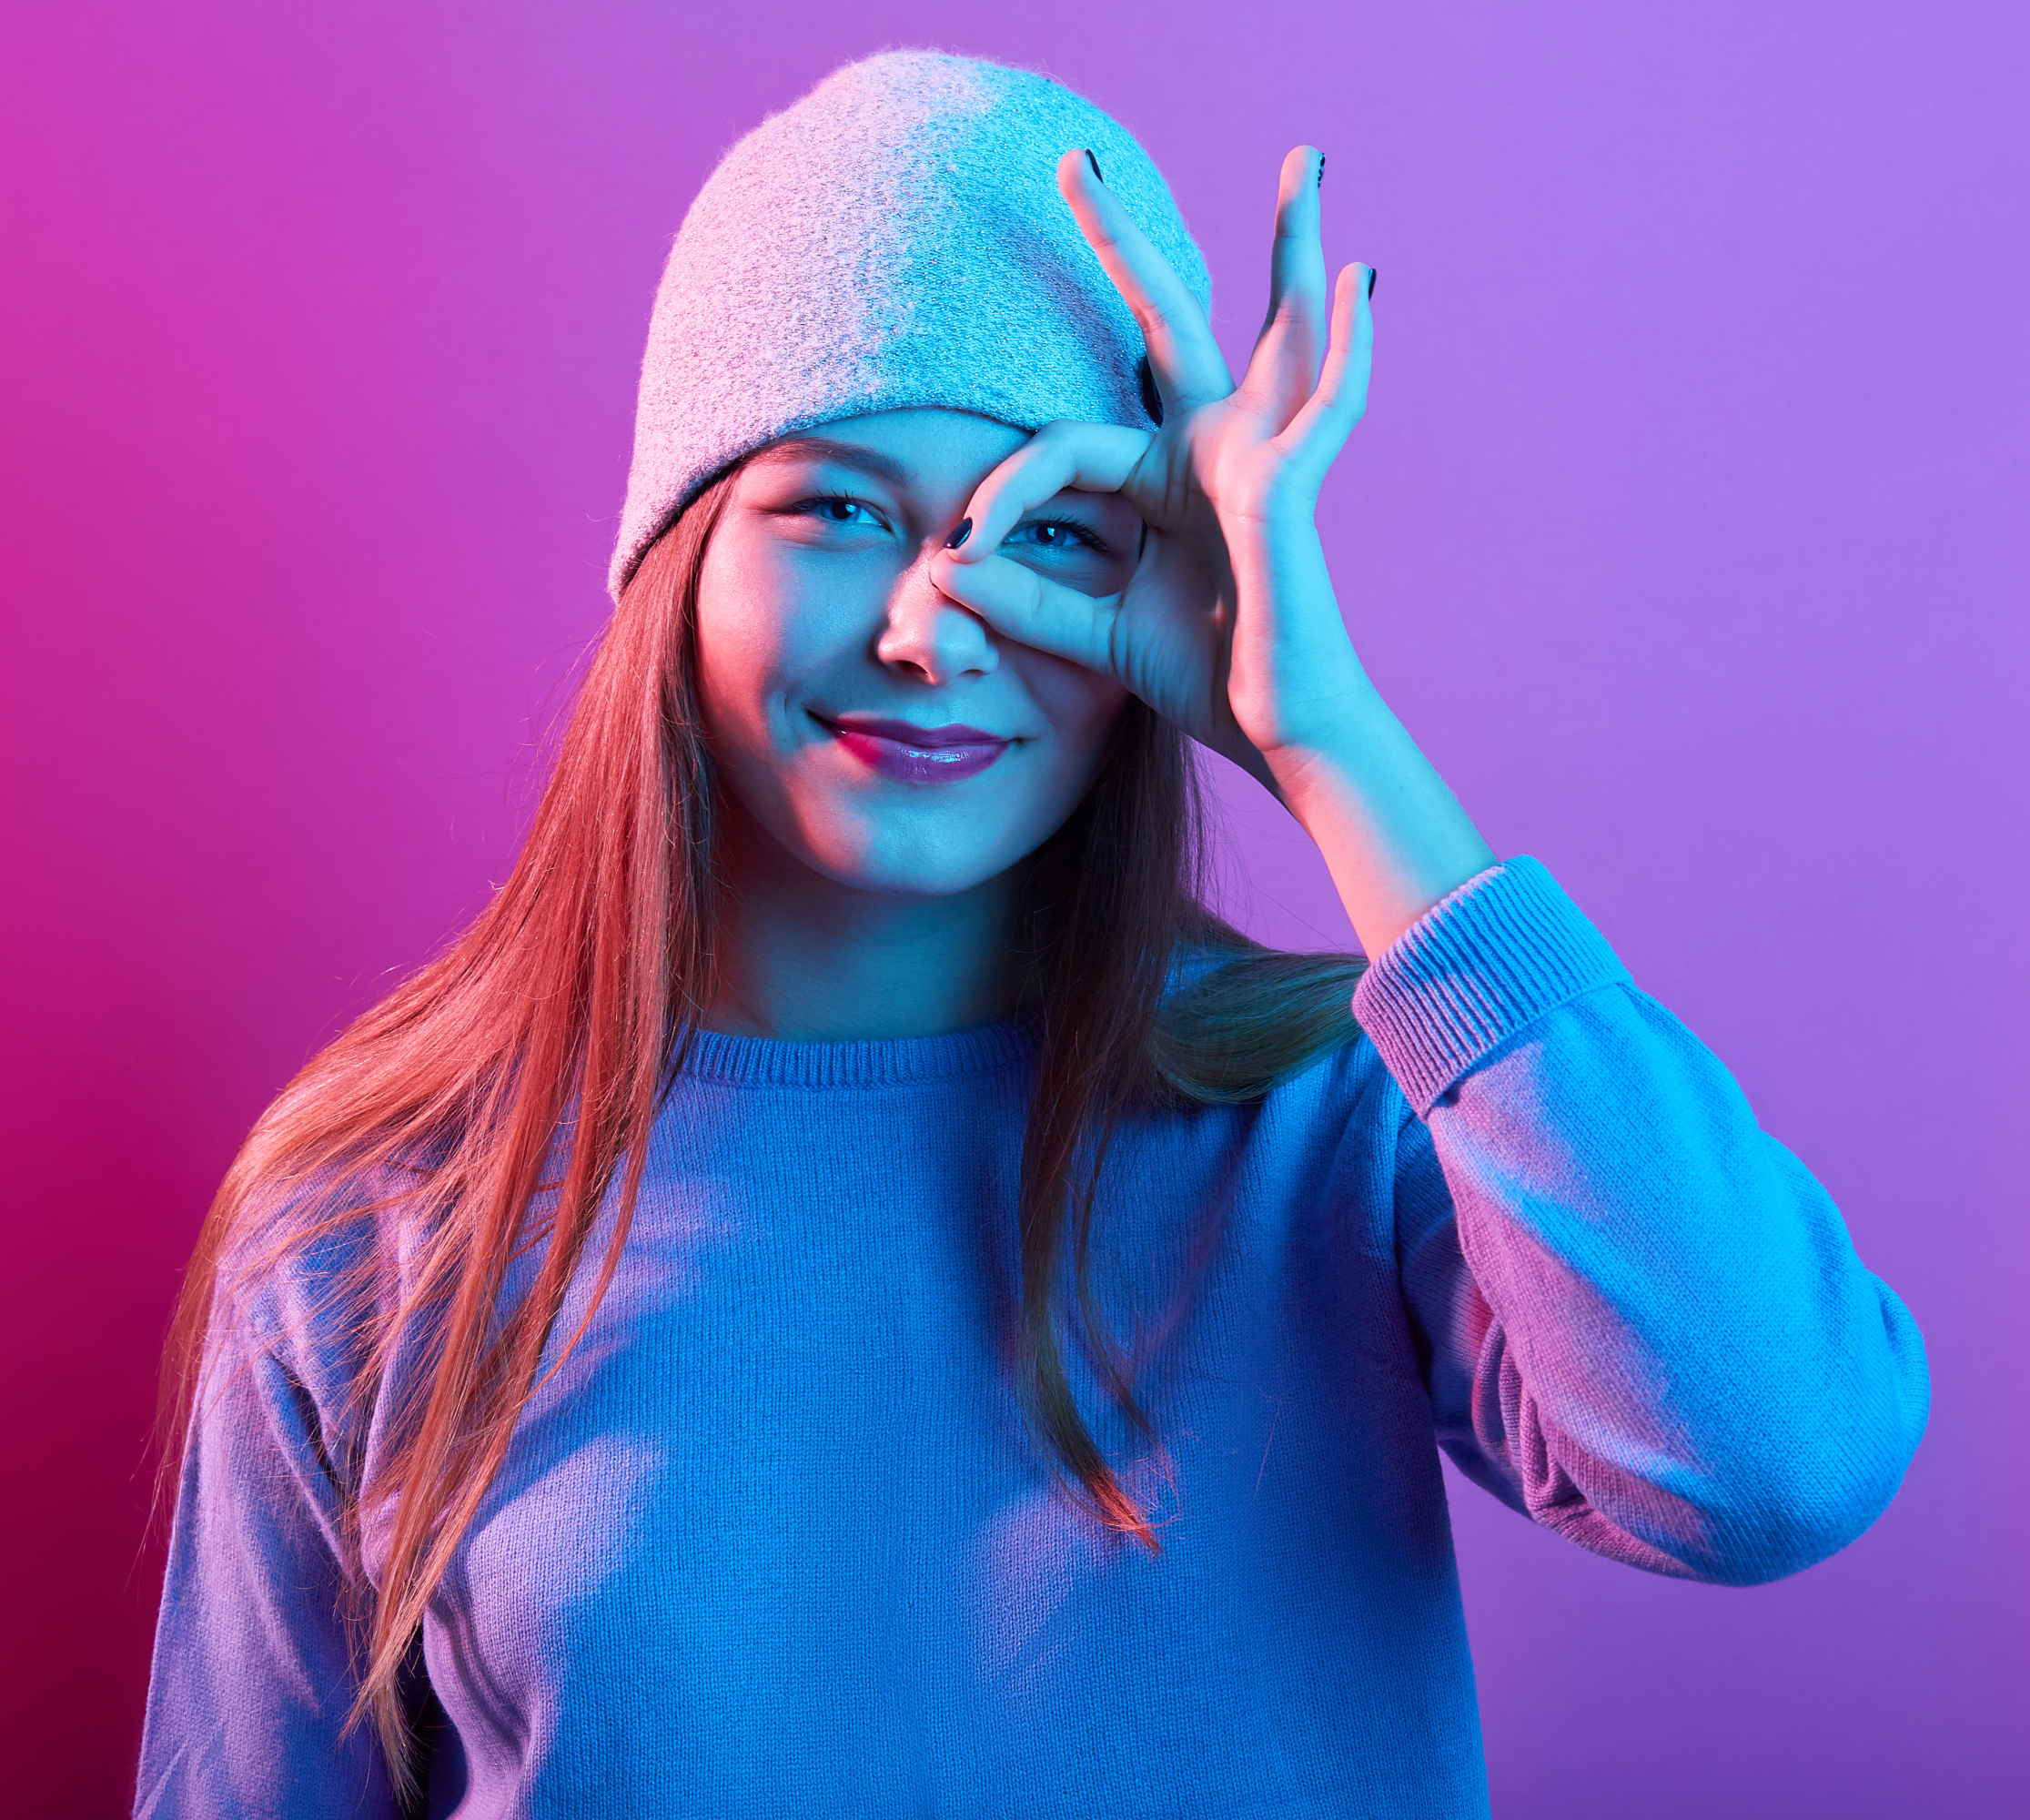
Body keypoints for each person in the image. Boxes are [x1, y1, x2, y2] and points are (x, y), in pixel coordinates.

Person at [135, 49, 1930, 1819]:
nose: (935, 632)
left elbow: (1778, 1458)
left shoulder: (1345, 1128)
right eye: (839, 510)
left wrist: (1326, 735)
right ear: (678, 562)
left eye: (1054, 533)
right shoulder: (380, 1216)